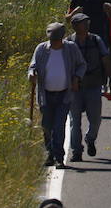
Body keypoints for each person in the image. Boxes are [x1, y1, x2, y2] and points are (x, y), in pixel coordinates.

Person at [28, 22, 86, 169]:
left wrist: (76, 78)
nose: (54, 43)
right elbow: (32, 66)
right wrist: (31, 74)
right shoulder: (41, 49)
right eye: (52, 40)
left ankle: (59, 157)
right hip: (45, 95)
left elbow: (81, 65)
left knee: (59, 126)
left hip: (64, 95)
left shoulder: (71, 48)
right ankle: (49, 154)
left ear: (62, 38)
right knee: (47, 126)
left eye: (57, 40)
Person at [66, 12, 111, 161]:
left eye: (87, 22)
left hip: (93, 84)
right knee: (75, 120)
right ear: (74, 26)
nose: (87, 25)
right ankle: (76, 151)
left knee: (96, 119)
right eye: (83, 23)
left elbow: (105, 59)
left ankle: (90, 138)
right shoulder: (68, 43)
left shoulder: (96, 40)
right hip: (75, 87)